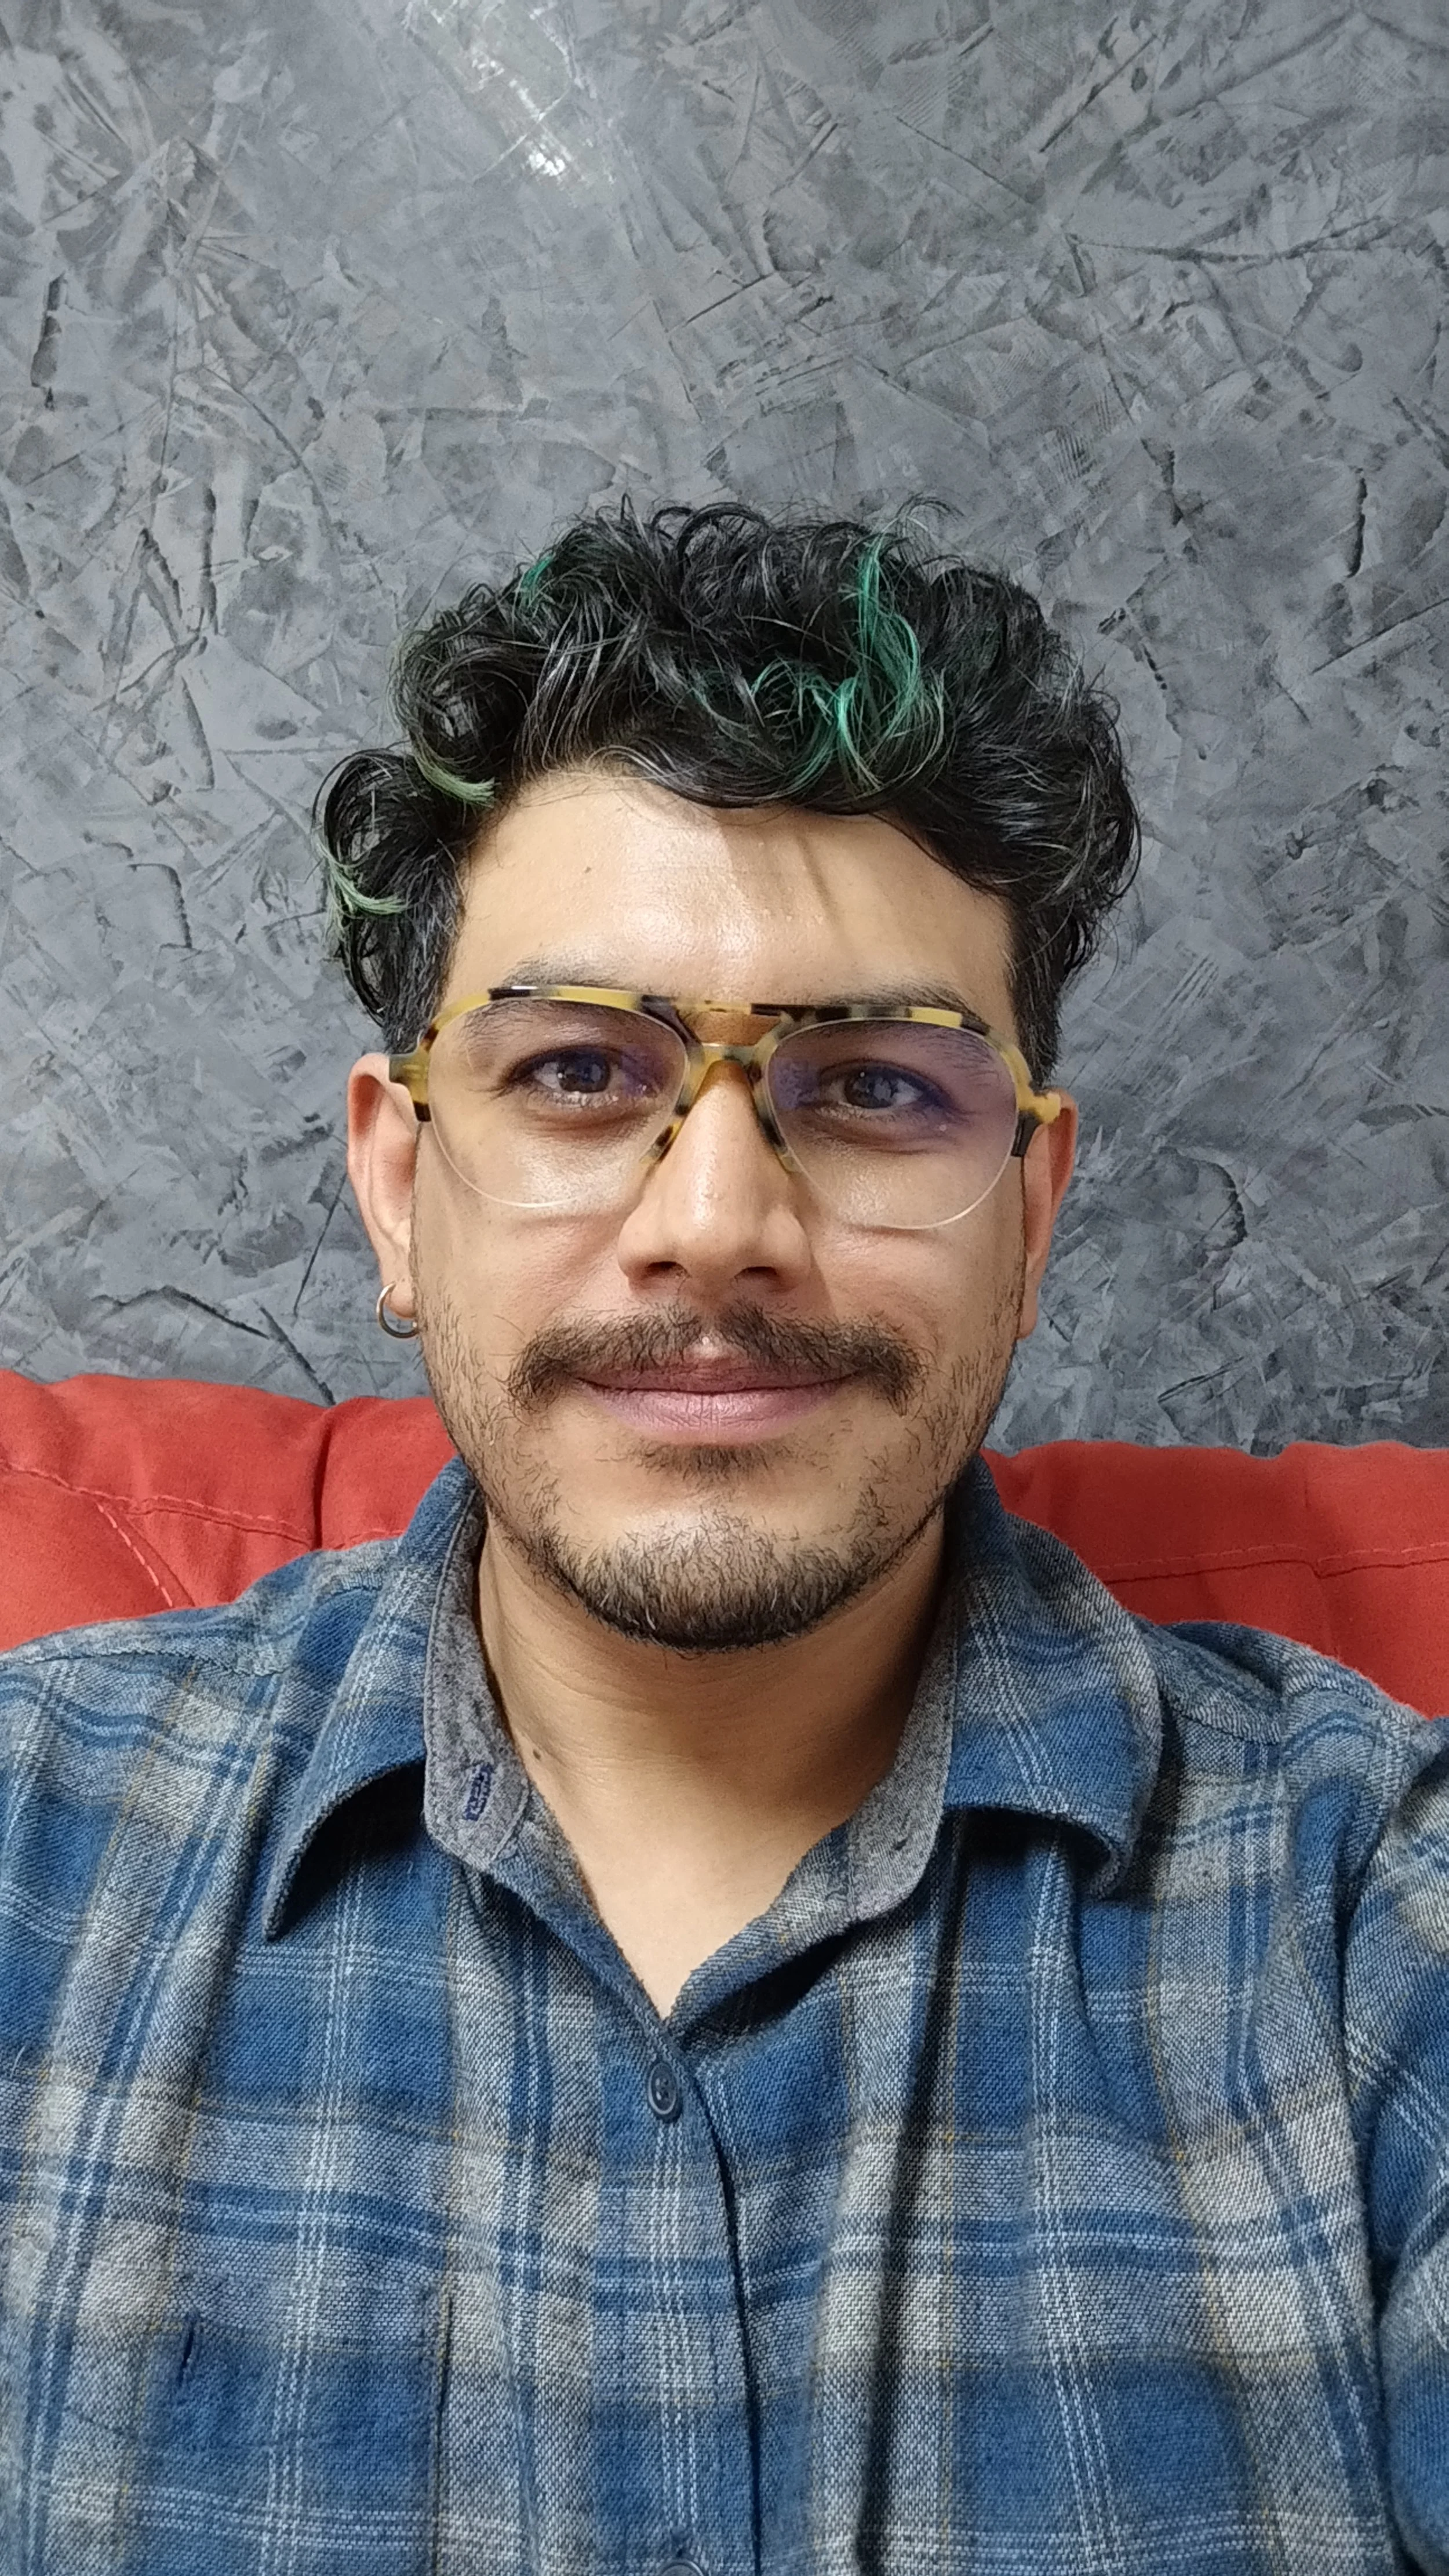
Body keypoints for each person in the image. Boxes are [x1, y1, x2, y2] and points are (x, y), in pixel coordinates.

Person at [1, 505, 1446, 2576]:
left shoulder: (1368, 1916)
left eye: (870, 1088)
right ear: (401, 1190)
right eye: (579, 1071)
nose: (714, 1221)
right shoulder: (28, 1847)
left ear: (1028, 1216)